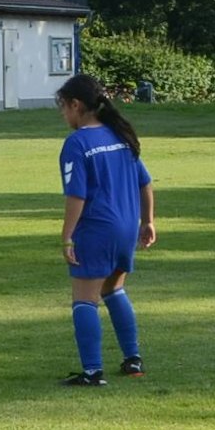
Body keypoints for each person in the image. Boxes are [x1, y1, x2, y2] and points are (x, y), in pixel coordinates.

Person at [54, 74, 155, 386]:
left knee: (85, 300)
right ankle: (133, 359)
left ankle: (92, 371)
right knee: (114, 289)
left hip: (97, 228)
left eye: (63, 107)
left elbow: (77, 195)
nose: (63, 115)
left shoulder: (77, 143)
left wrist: (67, 235)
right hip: (126, 226)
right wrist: (148, 221)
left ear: (76, 105)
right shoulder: (120, 135)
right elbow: (145, 182)